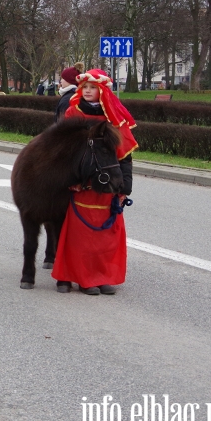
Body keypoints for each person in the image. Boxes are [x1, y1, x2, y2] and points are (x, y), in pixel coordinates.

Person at [52, 69, 137, 296]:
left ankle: (103, 277)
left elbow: (124, 156)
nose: (87, 91)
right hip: (82, 186)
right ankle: (84, 279)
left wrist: (124, 187)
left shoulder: (114, 119)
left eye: (92, 88)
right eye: (85, 88)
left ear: (102, 91)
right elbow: (64, 152)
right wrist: (72, 181)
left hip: (109, 185)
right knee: (83, 237)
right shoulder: (73, 114)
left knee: (106, 236)